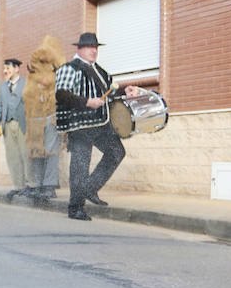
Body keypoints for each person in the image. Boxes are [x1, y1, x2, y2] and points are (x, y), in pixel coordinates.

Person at [55, 32, 142, 221]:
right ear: (79, 48)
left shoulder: (99, 70)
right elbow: (61, 95)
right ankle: (75, 207)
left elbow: (110, 91)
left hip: (100, 123)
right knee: (80, 163)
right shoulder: (69, 68)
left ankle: (90, 189)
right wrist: (87, 102)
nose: (93, 50)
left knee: (116, 151)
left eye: (95, 47)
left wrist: (125, 91)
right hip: (79, 123)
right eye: (89, 47)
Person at [23, 36, 64, 204]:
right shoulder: (33, 74)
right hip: (35, 117)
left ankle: (49, 185)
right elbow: (26, 94)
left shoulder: (57, 72)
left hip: (51, 116)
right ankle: (39, 184)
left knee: (52, 151)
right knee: (36, 152)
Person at [0, 58, 33, 201]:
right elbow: (0, 105)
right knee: (12, 156)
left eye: (8, 68)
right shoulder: (3, 86)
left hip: (22, 124)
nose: (5, 71)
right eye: (4, 68)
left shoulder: (26, 84)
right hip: (7, 124)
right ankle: (18, 186)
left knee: (25, 154)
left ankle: (31, 184)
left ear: (17, 69)